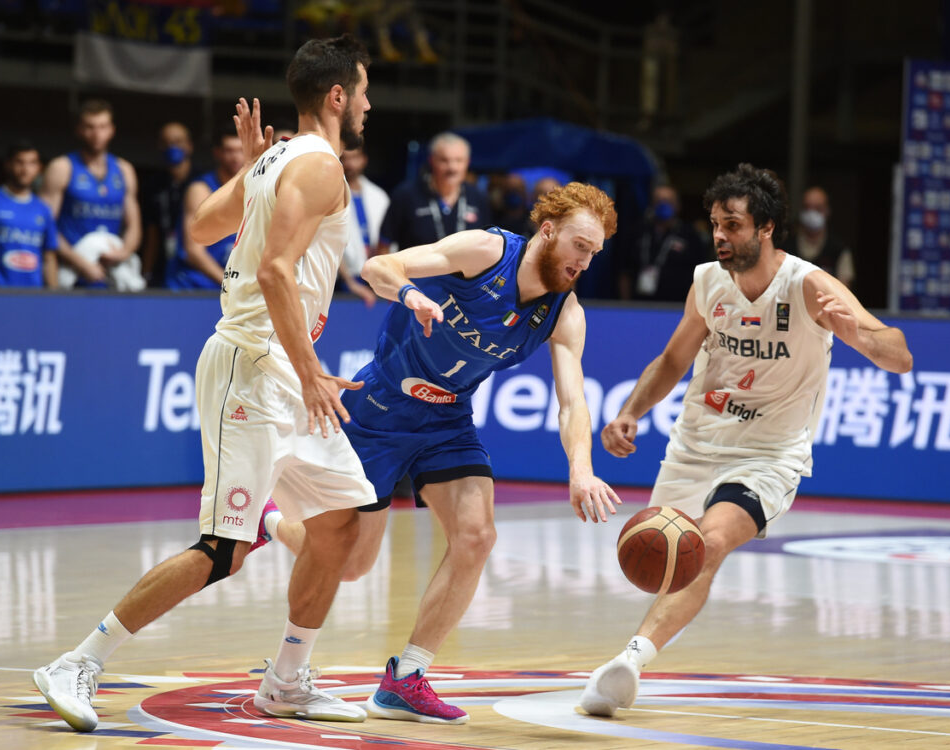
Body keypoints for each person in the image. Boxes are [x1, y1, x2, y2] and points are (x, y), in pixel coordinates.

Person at [32, 34, 377, 732]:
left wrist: (251, 170)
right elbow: (277, 271)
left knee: (346, 521)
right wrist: (311, 370)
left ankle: (286, 680)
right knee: (223, 550)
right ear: (338, 96)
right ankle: (78, 662)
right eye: (364, 91)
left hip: (279, 367)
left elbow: (201, 225)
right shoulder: (321, 169)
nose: (370, 104)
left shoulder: (277, 160)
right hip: (256, 365)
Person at [266, 181, 623, 724]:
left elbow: (572, 402)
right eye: (579, 244)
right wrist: (411, 293)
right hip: (380, 408)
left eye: (594, 252)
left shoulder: (564, 313)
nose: (584, 260)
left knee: (477, 536)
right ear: (547, 231)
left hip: (447, 418)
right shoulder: (487, 251)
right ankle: (273, 523)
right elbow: (379, 266)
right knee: (351, 564)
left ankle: (405, 679)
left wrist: (582, 470)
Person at [578, 163, 912, 717]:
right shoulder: (708, 281)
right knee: (668, 557)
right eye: (714, 223)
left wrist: (858, 335)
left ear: (765, 228)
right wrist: (630, 412)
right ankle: (631, 659)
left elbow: (899, 354)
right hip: (696, 444)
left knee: (704, 544)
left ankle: (627, 664)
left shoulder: (808, 284)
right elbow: (672, 359)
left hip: (767, 455)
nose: (719, 235)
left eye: (732, 224)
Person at [39, 99, 142, 288]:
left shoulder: (124, 170)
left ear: (112, 129)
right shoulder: (62, 167)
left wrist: (123, 253)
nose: (97, 134)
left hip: (110, 271)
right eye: (90, 127)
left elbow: (134, 225)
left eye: (102, 127)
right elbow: (45, 225)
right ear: (79, 130)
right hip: (72, 273)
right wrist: (79, 262)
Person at [0, 139, 59, 288]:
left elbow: (49, 257)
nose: (25, 169)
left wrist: (54, 298)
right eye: (20, 162)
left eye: (32, 163)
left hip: (33, 296)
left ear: (39, 168)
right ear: (8, 164)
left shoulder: (43, 209)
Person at [377, 131, 491, 255]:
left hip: (466, 274)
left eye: (459, 160)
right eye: (444, 160)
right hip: (415, 273)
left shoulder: (478, 197)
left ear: (467, 162)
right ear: (432, 160)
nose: (452, 168)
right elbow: (384, 246)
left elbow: (488, 245)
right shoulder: (405, 195)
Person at [166, 125, 245, 290]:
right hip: (193, 286)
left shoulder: (255, 188)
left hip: (232, 286)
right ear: (217, 153)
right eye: (229, 150)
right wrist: (229, 285)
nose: (236, 157)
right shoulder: (200, 189)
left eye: (240, 150)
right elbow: (193, 251)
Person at [618, 182, 709, 303]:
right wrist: (625, 305)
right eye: (659, 200)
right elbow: (624, 272)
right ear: (651, 204)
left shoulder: (690, 236)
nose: (663, 205)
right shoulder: (637, 232)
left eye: (668, 201)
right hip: (639, 305)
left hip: (676, 306)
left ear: (678, 205)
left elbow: (700, 276)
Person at [141, 121, 195, 288]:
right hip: (163, 263)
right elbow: (152, 233)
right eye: (167, 143)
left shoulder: (201, 182)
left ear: (189, 146)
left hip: (194, 262)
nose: (172, 147)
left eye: (178, 142)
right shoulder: (154, 184)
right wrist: (146, 273)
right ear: (160, 146)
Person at [338, 144, 388, 305]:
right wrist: (349, 283)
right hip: (342, 280)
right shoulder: (330, 193)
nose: (350, 164)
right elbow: (327, 241)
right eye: (344, 158)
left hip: (377, 275)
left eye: (355, 158)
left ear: (364, 160)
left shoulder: (379, 196)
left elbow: (388, 240)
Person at [782, 185, 855, 289]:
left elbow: (844, 291)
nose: (812, 213)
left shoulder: (839, 250)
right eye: (807, 207)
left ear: (827, 211)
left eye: (818, 208)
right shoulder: (785, 248)